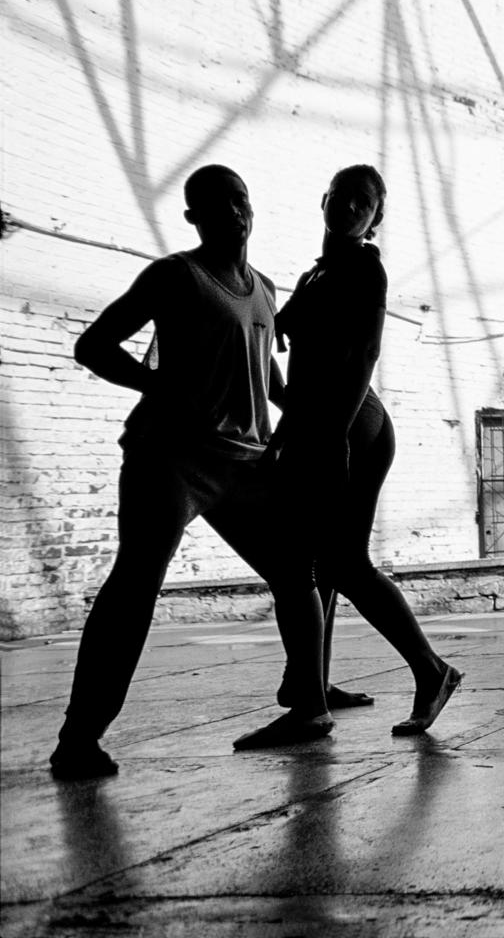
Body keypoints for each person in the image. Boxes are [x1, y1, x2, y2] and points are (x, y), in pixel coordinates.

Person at [50, 165, 332, 780]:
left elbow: (267, 374)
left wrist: (313, 414)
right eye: (216, 203)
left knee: (294, 572)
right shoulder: (175, 276)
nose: (233, 211)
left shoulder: (263, 287)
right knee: (135, 586)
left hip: (247, 463)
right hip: (171, 456)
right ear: (193, 217)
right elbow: (93, 345)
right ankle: (79, 738)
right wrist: (157, 385)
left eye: (240, 198)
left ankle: (310, 707)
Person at [269, 165, 462, 736]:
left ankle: (432, 673)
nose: (351, 206)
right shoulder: (315, 276)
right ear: (323, 199)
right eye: (343, 196)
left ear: (375, 218)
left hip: (353, 425)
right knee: (318, 563)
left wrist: (333, 433)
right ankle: (315, 684)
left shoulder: (362, 267)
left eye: (365, 202)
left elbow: (364, 354)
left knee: (341, 561)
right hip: (323, 425)